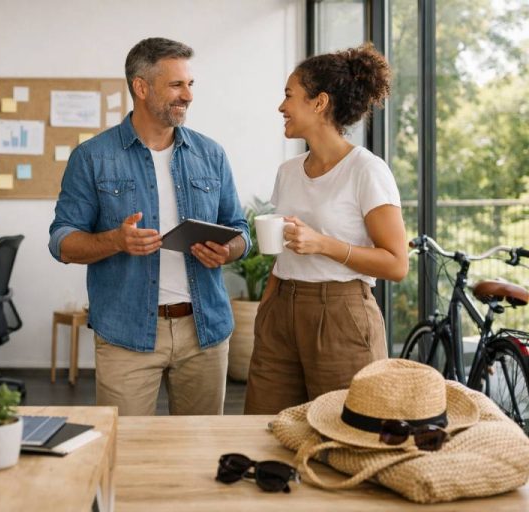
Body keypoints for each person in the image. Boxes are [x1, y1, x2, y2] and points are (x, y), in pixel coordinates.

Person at [49, 37, 250, 416]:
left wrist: (229, 249)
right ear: (141, 88)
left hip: (204, 330)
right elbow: (61, 241)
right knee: (125, 451)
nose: (187, 95)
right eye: (176, 85)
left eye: (190, 84)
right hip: (126, 333)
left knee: (200, 456)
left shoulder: (211, 154)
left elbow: (240, 229)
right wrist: (114, 241)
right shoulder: (92, 157)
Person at [244, 43, 409, 415]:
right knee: (263, 428)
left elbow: (397, 264)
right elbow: (283, 252)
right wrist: (268, 307)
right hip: (282, 308)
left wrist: (323, 244)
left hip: (340, 315)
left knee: (343, 432)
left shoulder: (366, 170)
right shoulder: (287, 172)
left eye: (289, 96)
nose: (281, 107)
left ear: (319, 103)